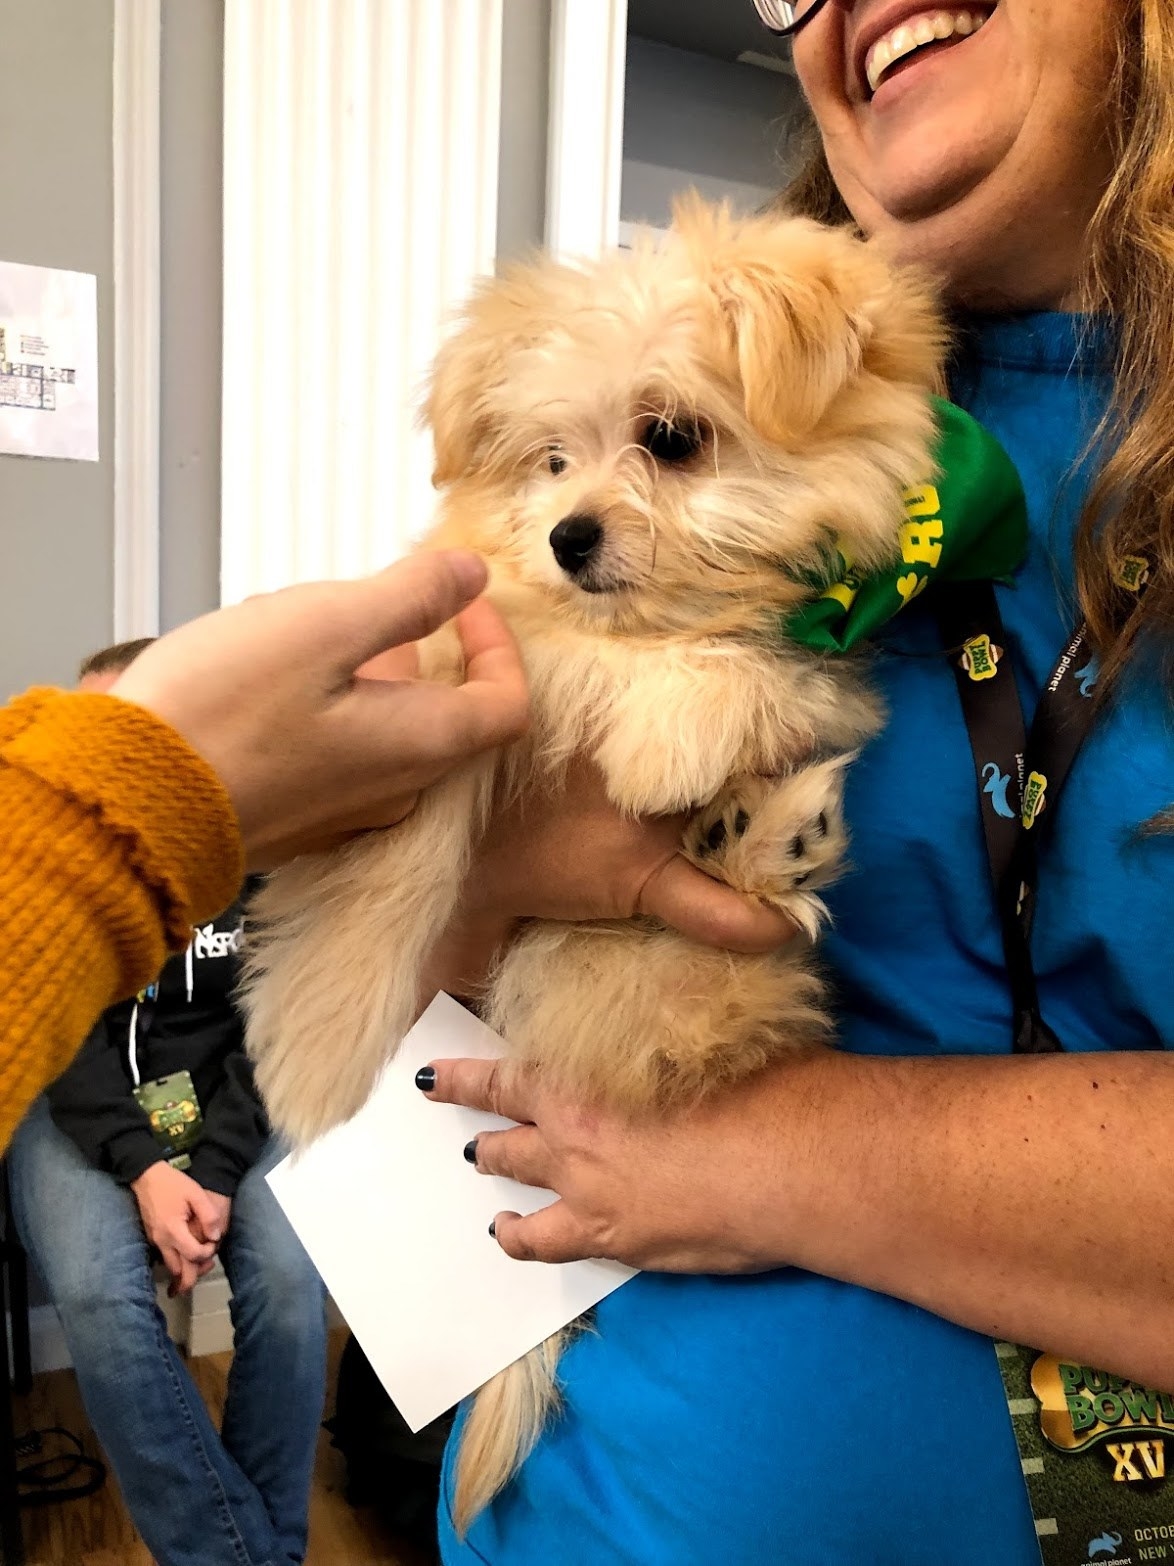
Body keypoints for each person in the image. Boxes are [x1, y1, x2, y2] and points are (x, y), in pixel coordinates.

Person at [413, 2, 1174, 1562]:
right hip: (559, 1495)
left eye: (672, 442)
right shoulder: (706, 374)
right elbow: (430, 995)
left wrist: (752, 1155)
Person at [11, 639, 327, 1566]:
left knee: (289, 1284)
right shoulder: (49, 858)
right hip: (79, 1102)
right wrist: (147, 1168)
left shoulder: (266, 851)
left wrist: (217, 1169)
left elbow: (276, 1035)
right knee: (98, 1294)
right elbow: (64, 1038)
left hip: (238, 1098)